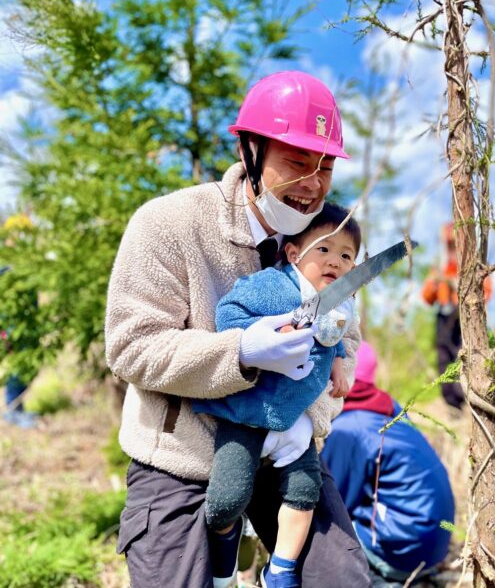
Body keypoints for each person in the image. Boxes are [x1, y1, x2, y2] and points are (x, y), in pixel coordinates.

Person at [105, 71, 370, 588]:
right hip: (183, 458)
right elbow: (131, 347)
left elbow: (348, 337)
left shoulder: (332, 239)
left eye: (326, 167)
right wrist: (241, 352)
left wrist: (305, 422)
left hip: (287, 451)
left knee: (341, 580)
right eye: (297, 162)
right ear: (250, 150)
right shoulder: (169, 224)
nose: (313, 184)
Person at [193, 203, 360, 588]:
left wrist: (337, 362)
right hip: (249, 413)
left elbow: (331, 338)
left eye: (346, 255)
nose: (335, 260)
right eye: (324, 249)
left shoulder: (342, 303)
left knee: (305, 491)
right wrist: (257, 339)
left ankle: (280, 571)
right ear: (293, 253)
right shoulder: (273, 287)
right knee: (226, 501)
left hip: (295, 419)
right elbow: (229, 314)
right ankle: (224, 573)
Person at [321, 341, 456, 587]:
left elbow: (335, 503)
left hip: (401, 548)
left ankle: (383, 579)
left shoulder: (348, 428)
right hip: (434, 541)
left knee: (324, 535)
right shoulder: (388, 407)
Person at [421, 223, 492, 410]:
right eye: (449, 244)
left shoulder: (472, 266)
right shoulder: (439, 268)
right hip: (444, 319)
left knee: (465, 358)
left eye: (455, 243)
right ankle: (452, 405)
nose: (452, 248)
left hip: (466, 319)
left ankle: (469, 399)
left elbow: (486, 293)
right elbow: (427, 298)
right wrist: (435, 285)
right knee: (444, 359)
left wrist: (461, 288)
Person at [0, 262, 40, 430]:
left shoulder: (26, 266)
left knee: (28, 366)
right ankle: (13, 409)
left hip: (28, 325)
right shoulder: (4, 270)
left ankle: (19, 406)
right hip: (11, 326)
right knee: (17, 368)